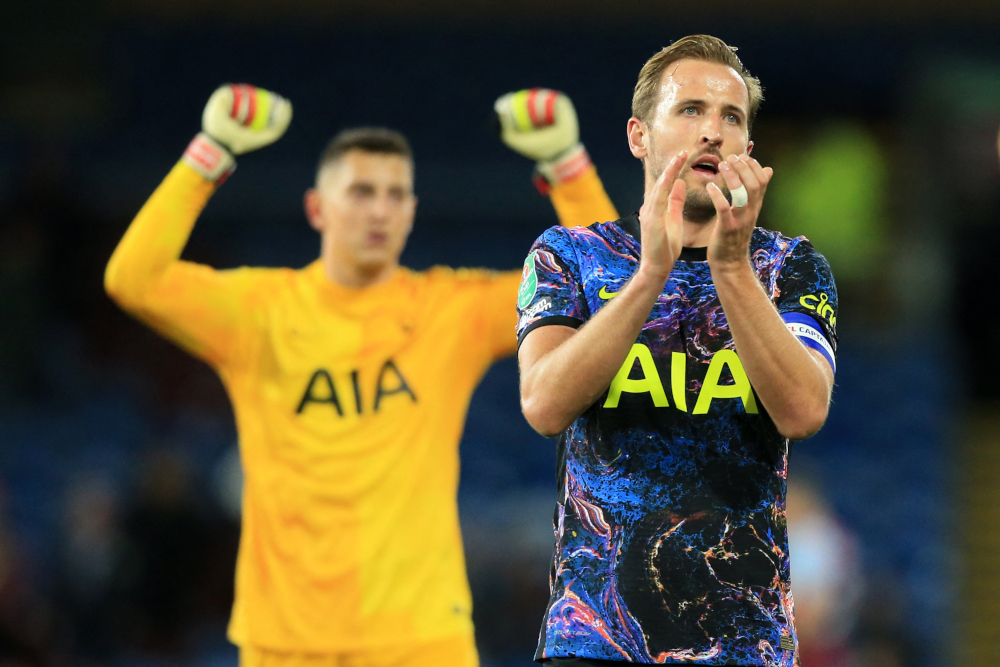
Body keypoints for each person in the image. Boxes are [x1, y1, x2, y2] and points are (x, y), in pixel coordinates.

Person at [104, 84, 617, 667]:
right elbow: (132, 278)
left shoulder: (449, 310)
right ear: (317, 208)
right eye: (362, 191)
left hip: (421, 640)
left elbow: (600, 286)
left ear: (411, 212)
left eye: (396, 194)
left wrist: (566, 167)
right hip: (283, 641)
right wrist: (210, 151)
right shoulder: (258, 311)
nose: (380, 209)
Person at [515, 35, 838, 666]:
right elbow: (543, 403)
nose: (713, 132)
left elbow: (803, 412)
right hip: (595, 638)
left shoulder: (790, 268)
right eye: (690, 110)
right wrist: (648, 278)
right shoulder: (570, 256)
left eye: (732, 118)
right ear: (640, 135)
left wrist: (733, 268)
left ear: (748, 146)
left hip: (746, 644)